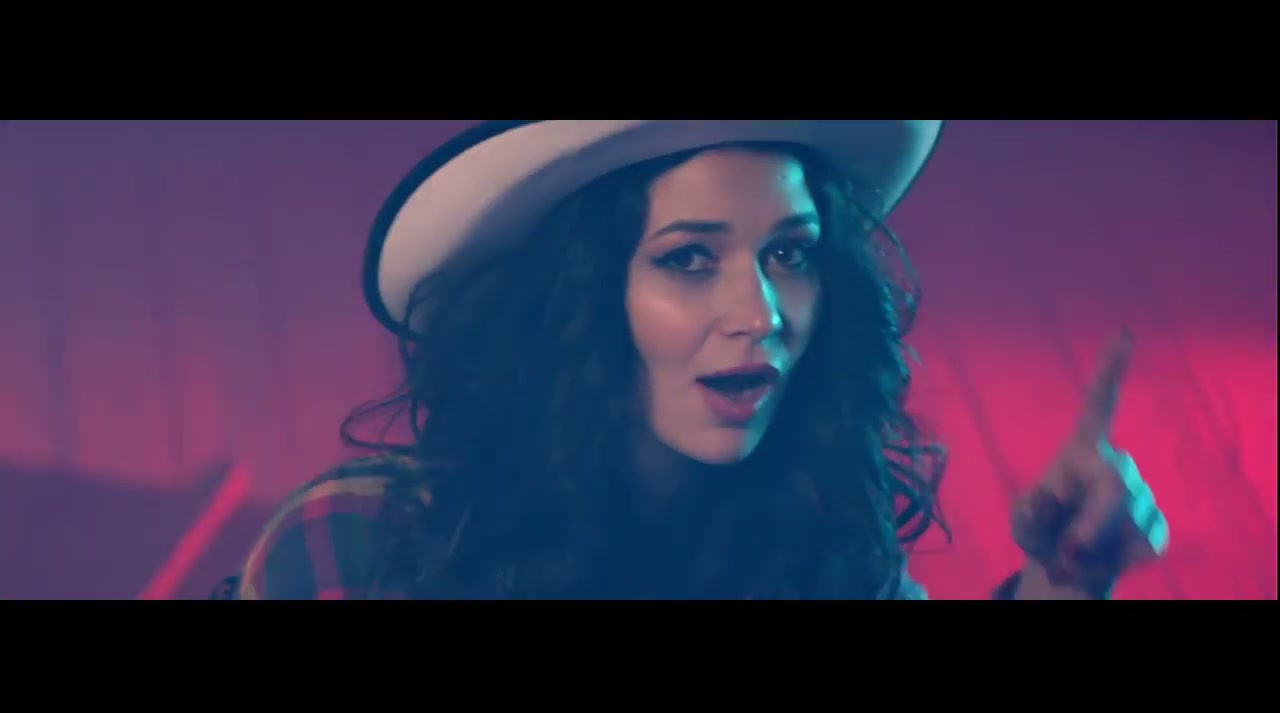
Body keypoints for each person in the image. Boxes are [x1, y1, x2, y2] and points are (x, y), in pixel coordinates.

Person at [223, 120, 1169, 601]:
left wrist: (1065, 578)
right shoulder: (358, 541)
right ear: (579, 299)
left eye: (789, 254)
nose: (759, 315)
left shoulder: (821, 554)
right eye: (688, 260)